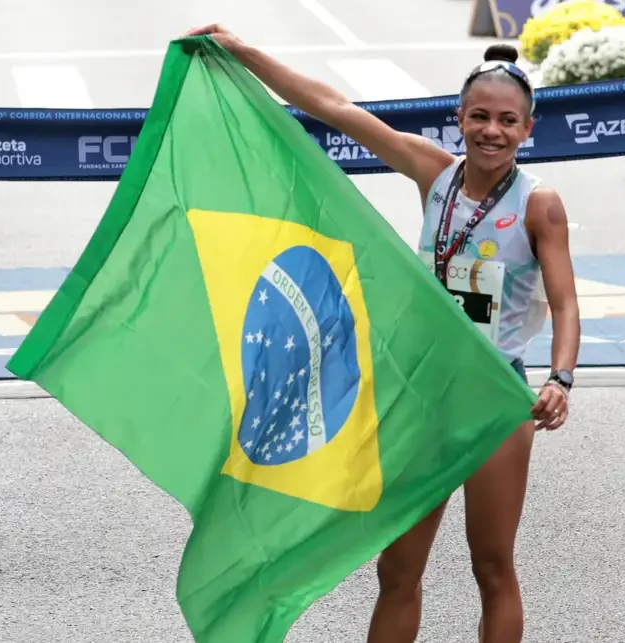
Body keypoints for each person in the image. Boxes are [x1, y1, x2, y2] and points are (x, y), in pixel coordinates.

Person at [184, 23, 581, 643]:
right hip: (421, 397)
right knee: (397, 568)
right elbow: (335, 108)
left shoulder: (538, 205)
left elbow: (564, 301)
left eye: (508, 121)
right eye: (479, 116)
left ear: (527, 129)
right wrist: (243, 52)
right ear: (459, 119)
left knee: (493, 565)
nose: (492, 132)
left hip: (497, 400)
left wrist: (561, 377)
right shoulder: (434, 174)